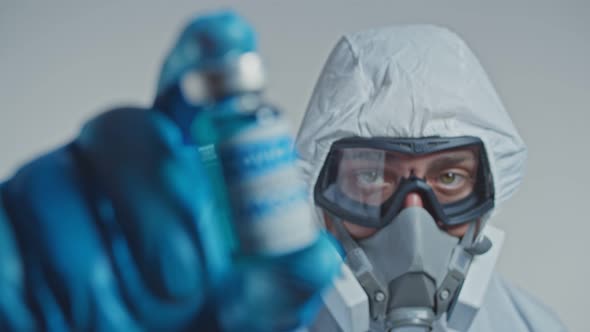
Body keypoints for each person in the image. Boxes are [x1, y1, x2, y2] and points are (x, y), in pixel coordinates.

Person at [295, 25, 567, 331]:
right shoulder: (264, 321)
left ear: (487, 197)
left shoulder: (532, 326)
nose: (414, 223)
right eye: (371, 176)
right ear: (321, 196)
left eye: (449, 177)